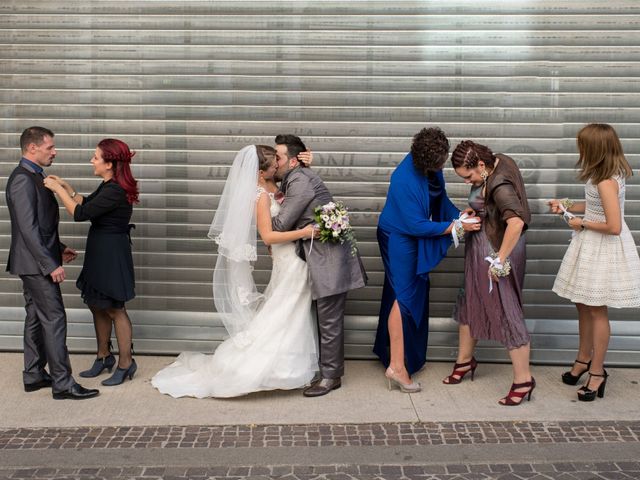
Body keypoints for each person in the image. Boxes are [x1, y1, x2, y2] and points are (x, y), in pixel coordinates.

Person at [152, 145, 319, 398]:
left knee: (289, 307)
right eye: (274, 163)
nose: (278, 165)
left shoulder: (275, 185)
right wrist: (306, 233)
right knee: (286, 306)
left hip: (292, 256)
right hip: (288, 256)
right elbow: (268, 235)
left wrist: (306, 163)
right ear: (261, 172)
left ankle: (288, 364)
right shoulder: (260, 195)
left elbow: (299, 190)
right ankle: (275, 367)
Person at [374, 127, 480, 392]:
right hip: (397, 236)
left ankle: (397, 355)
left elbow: (439, 198)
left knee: (404, 292)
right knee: (404, 296)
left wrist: (458, 216)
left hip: (409, 230)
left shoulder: (430, 163)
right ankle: (397, 367)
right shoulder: (404, 180)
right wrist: (456, 228)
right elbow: (417, 225)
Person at [6, 126, 99, 400]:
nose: (55, 152)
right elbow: (27, 229)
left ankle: (33, 374)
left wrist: (58, 249)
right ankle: (62, 383)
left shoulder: (35, 175)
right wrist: (50, 264)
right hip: (36, 265)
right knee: (55, 318)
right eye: (50, 147)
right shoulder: (23, 179)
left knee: (36, 316)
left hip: (35, 260)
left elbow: (38, 226)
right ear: (32, 148)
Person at [549, 123, 640, 402]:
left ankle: (597, 372)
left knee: (596, 308)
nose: (579, 149)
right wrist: (566, 205)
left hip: (603, 245)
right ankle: (583, 359)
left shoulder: (606, 180)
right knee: (583, 303)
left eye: (582, 145)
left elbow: (613, 225)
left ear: (594, 148)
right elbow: (595, 204)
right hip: (592, 243)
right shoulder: (601, 175)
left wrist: (581, 223)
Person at [271, 134, 367, 397]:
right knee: (324, 318)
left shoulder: (300, 181)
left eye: (277, 157)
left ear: (292, 162)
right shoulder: (299, 177)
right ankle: (323, 369)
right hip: (320, 256)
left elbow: (280, 225)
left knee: (329, 319)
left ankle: (330, 377)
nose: (273, 161)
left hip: (329, 260)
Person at [444, 140, 534, 406]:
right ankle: (464, 361)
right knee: (469, 299)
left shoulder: (501, 184)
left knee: (507, 309)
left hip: (495, 249)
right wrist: (478, 210)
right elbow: (490, 204)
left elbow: (516, 222)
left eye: (468, 176)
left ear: (481, 165)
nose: (467, 181)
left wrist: (499, 260)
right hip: (483, 245)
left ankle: (523, 380)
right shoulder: (497, 161)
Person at [43, 138, 139, 386]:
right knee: (97, 304)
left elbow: (80, 214)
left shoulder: (116, 190)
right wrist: (68, 187)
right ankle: (103, 356)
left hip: (111, 255)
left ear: (109, 163)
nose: (92, 161)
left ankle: (126, 363)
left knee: (115, 308)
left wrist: (59, 191)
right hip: (101, 251)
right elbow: (88, 204)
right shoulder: (108, 185)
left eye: (96, 157)